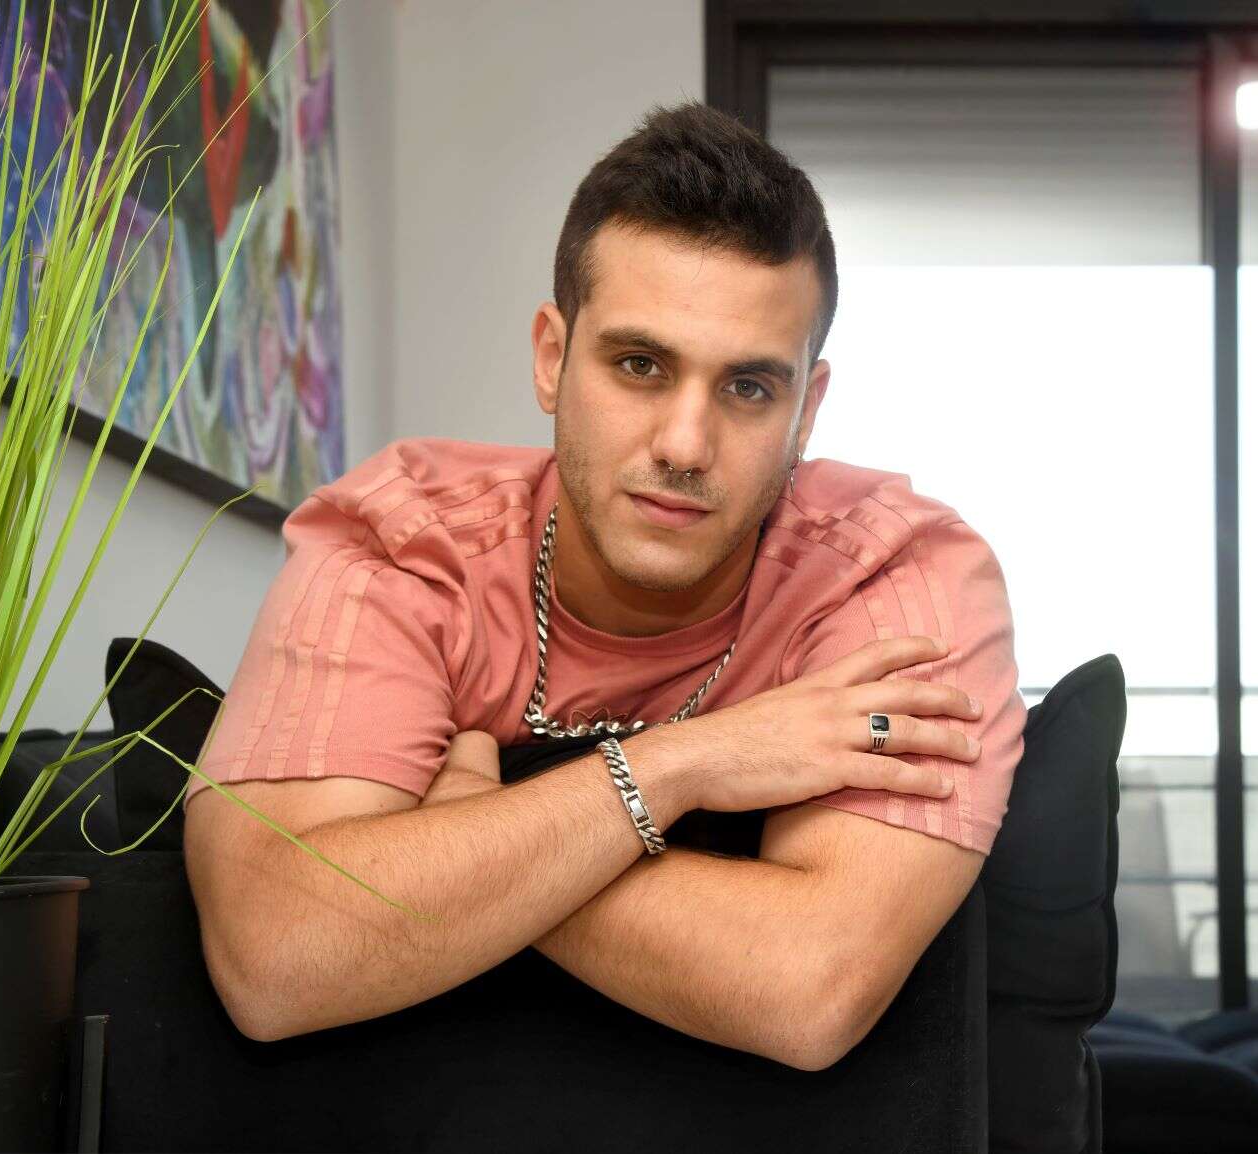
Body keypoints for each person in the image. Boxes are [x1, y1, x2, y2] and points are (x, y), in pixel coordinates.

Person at [181, 101, 1026, 1072]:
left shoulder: (896, 575)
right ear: (552, 358)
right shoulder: (405, 544)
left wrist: (465, 826)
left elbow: (807, 989)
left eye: (749, 388)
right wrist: (688, 763)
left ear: (806, 410)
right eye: (639, 364)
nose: (684, 445)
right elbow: (278, 956)